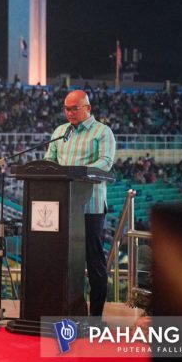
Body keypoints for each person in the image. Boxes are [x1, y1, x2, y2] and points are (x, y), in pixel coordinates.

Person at [44, 89, 116, 318]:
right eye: (67, 109)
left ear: (88, 108)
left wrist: (76, 173)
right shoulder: (60, 132)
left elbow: (105, 162)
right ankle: (65, 311)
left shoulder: (102, 132)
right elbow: (49, 161)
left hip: (90, 206)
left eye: (75, 108)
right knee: (62, 260)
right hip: (63, 207)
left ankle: (95, 318)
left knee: (94, 262)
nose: (70, 113)